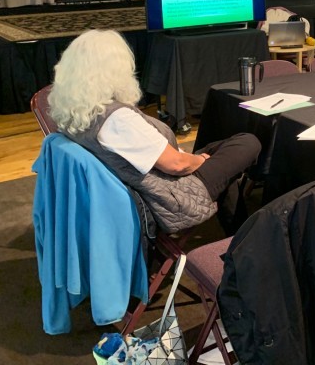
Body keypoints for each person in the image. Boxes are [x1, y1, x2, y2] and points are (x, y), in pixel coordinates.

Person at [48, 29, 261, 235]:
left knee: (223, 156)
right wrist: (200, 161)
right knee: (248, 142)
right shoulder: (117, 120)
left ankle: (240, 232)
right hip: (171, 194)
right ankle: (245, 231)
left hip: (153, 179)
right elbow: (177, 165)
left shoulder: (77, 112)